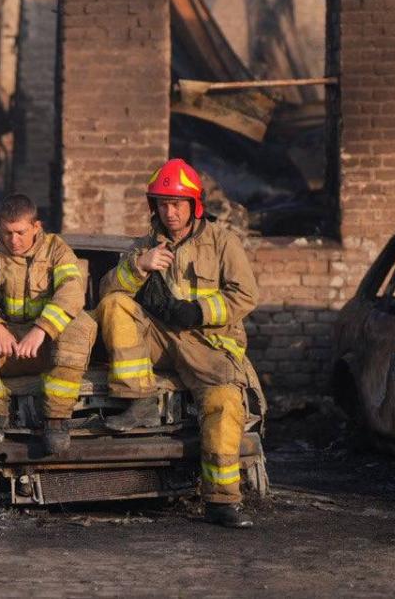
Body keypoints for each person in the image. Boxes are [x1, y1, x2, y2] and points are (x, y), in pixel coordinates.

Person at [95, 158, 259, 528]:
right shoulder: (144, 246)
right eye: (163, 204)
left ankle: (221, 502)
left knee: (224, 402)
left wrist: (198, 311)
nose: (170, 212)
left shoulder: (223, 242)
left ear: (194, 205)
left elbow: (246, 295)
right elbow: (106, 291)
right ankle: (138, 400)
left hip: (207, 343)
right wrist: (139, 266)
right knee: (115, 303)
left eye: (177, 204)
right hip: (159, 340)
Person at [0, 193, 96, 455]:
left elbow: (72, 290)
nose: (13, 240)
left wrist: (42, 329)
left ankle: (56, 419)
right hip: (4, 350)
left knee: (80, 322)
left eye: (20, 232)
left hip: (44, 348)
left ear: (36, 226)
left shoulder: (57, 249)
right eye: (7, 232)